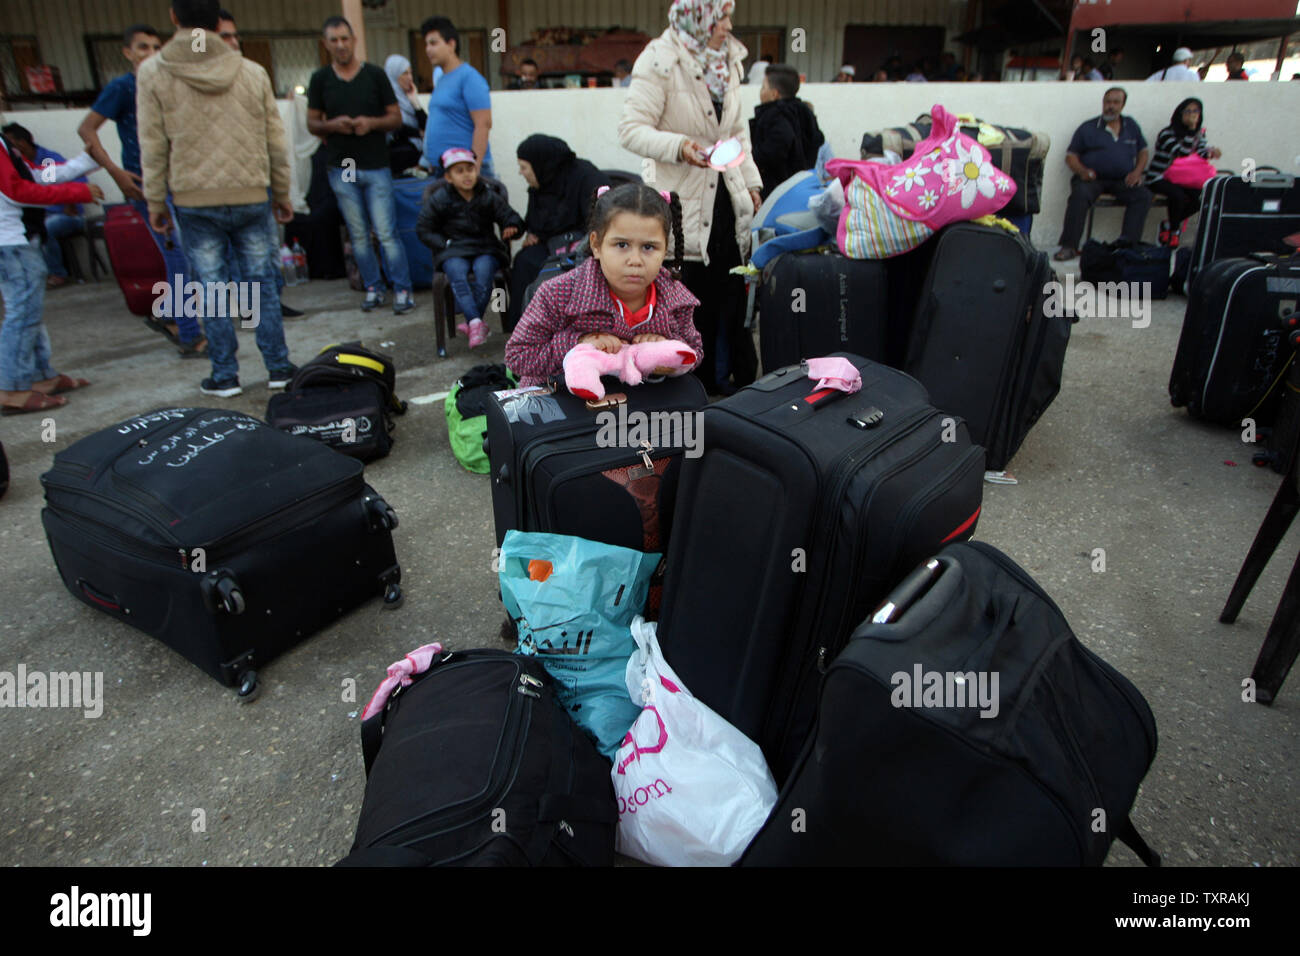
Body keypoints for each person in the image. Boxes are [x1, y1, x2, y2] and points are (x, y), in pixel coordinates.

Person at [138, 0, 296, 397]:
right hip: (250, 194)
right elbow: (276, 141)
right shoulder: (251, 72)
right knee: (261, 285)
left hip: (194, 200)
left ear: (174, 18)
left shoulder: (153, 73)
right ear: (218, 23)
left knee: (210, 289)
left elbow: (153, 145)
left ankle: (225, 375)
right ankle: (278, 367)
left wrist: (155, 202)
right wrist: (281, 192)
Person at [618, 0, 762, 396]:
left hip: (726, 200)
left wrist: (751, 182)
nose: (728, 26)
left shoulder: (728, 60)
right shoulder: (659, 60)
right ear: (696, 18)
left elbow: (737, 132)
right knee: (688, 306)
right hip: (682, 202)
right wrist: (681, 146)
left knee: (730, 297)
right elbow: (630, 129)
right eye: (721, 18)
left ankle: (726, 388)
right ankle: (689, 397)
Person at [78, 23, 203, 356]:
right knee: (177, 257)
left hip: (177, 182)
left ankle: (178, 321)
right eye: (143, 47)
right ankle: (189, 334)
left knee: (185, 257)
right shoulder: (123, 87)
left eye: (156, 47)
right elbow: (87, 129)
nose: (151, 53)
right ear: (128, 52)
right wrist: (116, 173)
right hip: (144, 186)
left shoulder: (166, 85)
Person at [505, 183, 703, 388]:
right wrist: (578, 343)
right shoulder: (557, 294)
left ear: (665, 250)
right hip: (564, 409)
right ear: (596, 245)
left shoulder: (677, 299)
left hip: (640, 409)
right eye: (622, 245)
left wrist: (667, 349)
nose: (635, 260)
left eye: (648, 247)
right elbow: (518, 357)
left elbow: (695, 353)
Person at [307, 15, 414, 314]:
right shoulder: (320, 80)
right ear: (326, 44)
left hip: (375, 164)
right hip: (343, 167)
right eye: (334, 40)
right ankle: (373, 288)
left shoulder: (375, 76)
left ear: (354, 40)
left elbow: (395, 118)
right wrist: (333, 125)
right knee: (358, 235)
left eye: (345, 38)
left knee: (386, 232)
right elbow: (312, 123)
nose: (340, 45)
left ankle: (402, 289)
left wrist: (372, 123)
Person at [0, 128, 102, 415]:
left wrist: (82, 163)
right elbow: (17, 191)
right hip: (10, 242)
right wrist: (77, 191)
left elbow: (33, 175)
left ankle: (41, 377)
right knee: (22, 315)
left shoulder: (3, 143)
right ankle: (13, 390)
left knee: (29, 314)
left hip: (18, 240)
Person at [417, 147, 524, 348]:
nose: (466, 175)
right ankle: (476, 322)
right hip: (454, 249)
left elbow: (510, 216)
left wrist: (512, 227)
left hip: (485, 248)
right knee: (457, 275)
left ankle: (472, 323)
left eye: (470, 169)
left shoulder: (488, 195)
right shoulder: (440, 198)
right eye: (459, 171)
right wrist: (444, 244)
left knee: (484, 275)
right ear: (448, 177)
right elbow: (424, 228)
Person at [506, 133, 609, 331]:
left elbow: (601, 217)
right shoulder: (542, 182)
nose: (521, 173)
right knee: (524, 261)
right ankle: (521, 330)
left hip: (584, 244)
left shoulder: (585, 176)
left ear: (540, 164)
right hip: (551, 243)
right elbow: (534, 219)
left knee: (563, 268)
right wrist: (532, 232)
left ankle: (564, 327)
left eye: (524, 167)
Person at [1054, 87, 1151, 262]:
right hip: (1093, 178)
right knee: (1079, 195)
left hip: (1122, 179)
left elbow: (1143, 152)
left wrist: (1137, 173)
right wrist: (1082, 171)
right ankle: (1069, 246)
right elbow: (1071, 156)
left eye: (1115, 102)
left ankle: (1127, 246)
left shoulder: (1131, 126)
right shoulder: (1088, 127)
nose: (1110, 106)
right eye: (1107, 102)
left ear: (1123, 105)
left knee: (1142, 196)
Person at [0, 124, 88, 290]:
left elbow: (77, 180)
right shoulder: (14, 164)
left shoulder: (48, 159)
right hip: (24, 225)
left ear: (23, 143)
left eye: (11, 144)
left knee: (46, 227)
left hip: (65, 215)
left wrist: (72, 198)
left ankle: (57, 273)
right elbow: (19, 191)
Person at [420, 16, 495, 180]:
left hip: (464, 173)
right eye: (426, 44)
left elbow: (483, 124)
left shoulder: (469, 77)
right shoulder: (441, 79)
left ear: (451, 44)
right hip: (445, 170)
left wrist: (473, 169)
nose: (427, 49)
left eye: (433, 43)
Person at [1144, 97, 1222, 247]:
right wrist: (1191, 131)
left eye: (1195, 111)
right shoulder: (1167, 133)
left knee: (1202, 198)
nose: (1192, 115)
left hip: (1183, 179)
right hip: (1159, 177)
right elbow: (1182, 153)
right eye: (1187, 111)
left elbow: (1200, 153)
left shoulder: (1199, 133)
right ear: (1180, 114)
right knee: (1177, 196)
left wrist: (1211, 152)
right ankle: (1174, 231)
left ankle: (1169, 224)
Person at [749, 63, 825, 199]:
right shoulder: (803, 112)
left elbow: (773, 151)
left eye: (763, 87)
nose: (761, 92)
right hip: (802, 188)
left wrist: (750, 157)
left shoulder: (776, 115)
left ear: (774, 94)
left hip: (776, 193)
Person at [384, 54, 428, 175]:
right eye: (404, 73)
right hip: (398, 161)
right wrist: (419, 133)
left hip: (417, 162)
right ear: (394, 75)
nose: (410, 78)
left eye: (410, 73)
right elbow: (395, 127)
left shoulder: (408, 100)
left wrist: (416, 104)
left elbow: (427, 127)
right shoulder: (386, 101)